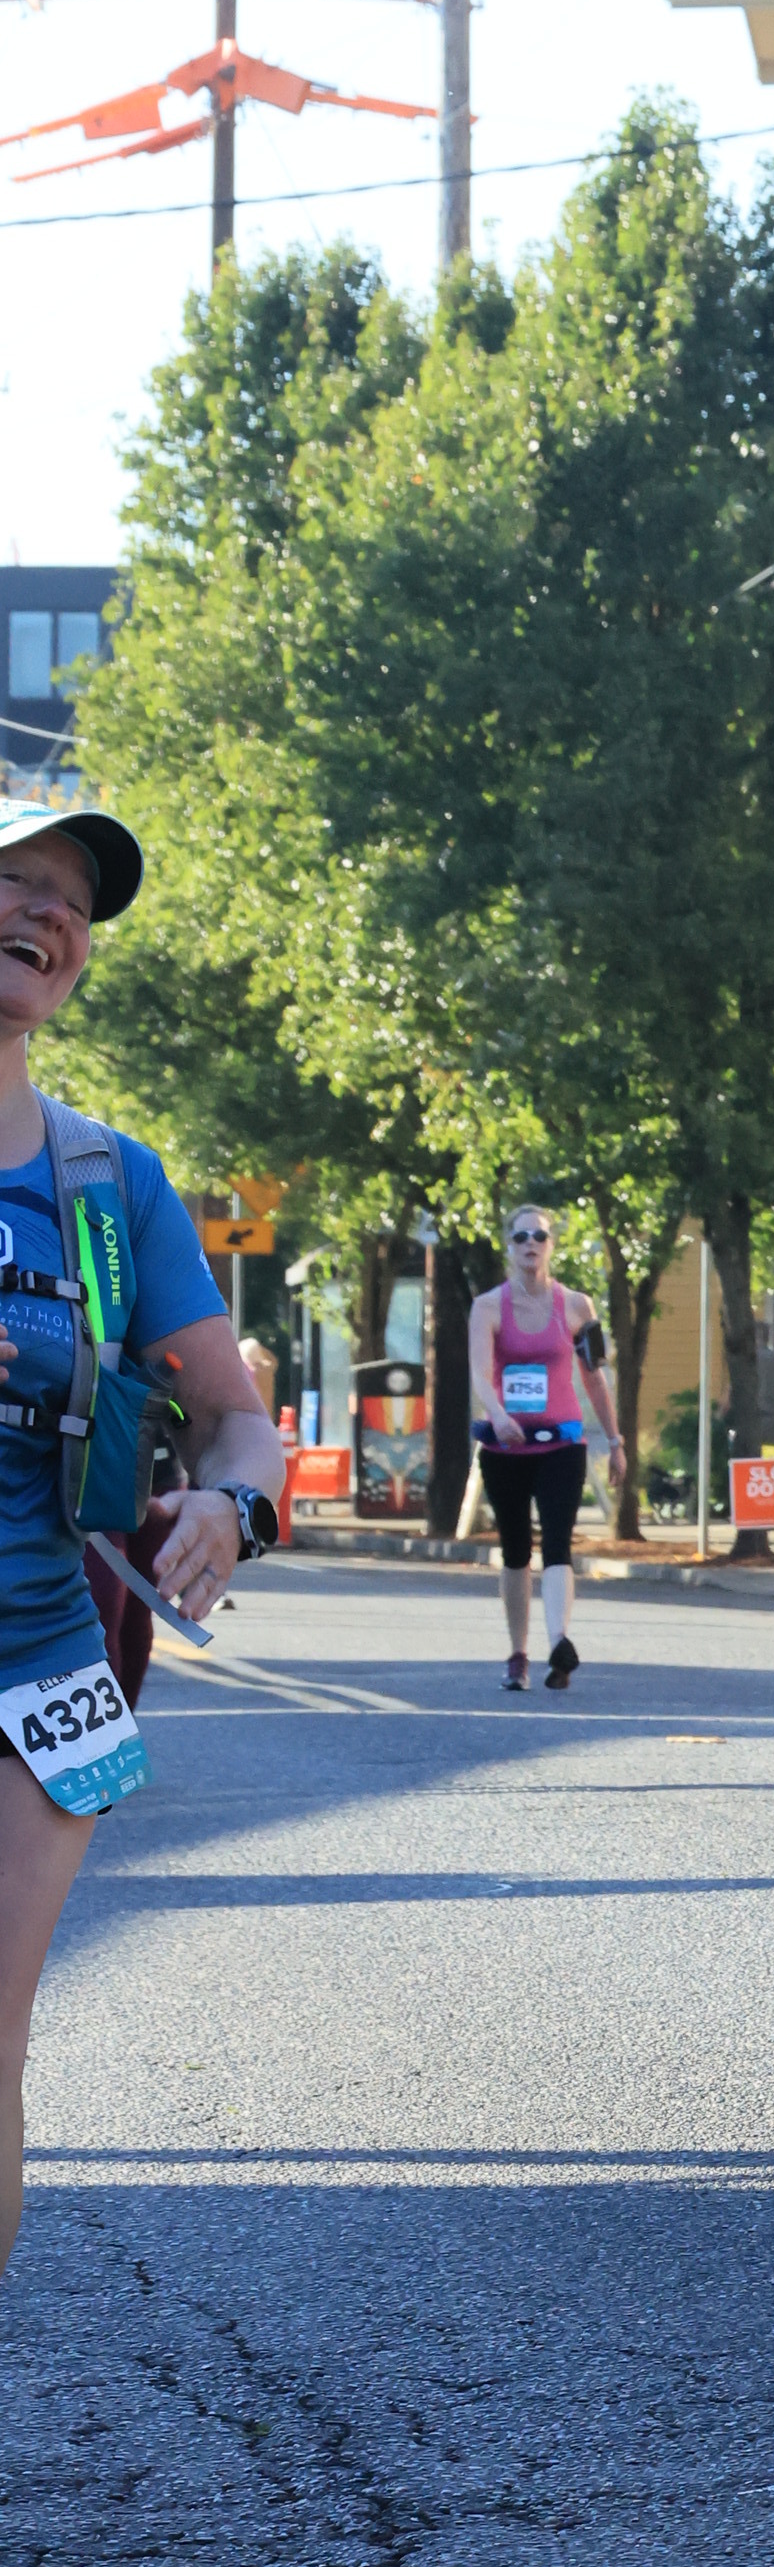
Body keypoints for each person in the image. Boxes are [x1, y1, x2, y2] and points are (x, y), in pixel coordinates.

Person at [0, 805, 286, 2286]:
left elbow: (236, 1422)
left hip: (40, 1659)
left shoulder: (110, 1185)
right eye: (13, 880)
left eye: (70, 902)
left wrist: (232, 1506)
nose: (46, 914)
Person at [469, 1206, 621, 1693]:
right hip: (505, 1449)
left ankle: (559, 1642)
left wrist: (615, 1440)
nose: (530, 1244)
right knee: (515, 1551)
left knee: (558, 1542)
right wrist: (498, 1414)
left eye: (539, 1236)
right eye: (520, 1237)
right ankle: (518, 1655)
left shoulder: (577, 1306)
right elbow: (479, 1373)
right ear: (509, 1246)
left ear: (551, 1244)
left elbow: (594, 1378)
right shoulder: (487, 1307)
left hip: (562, 1444)